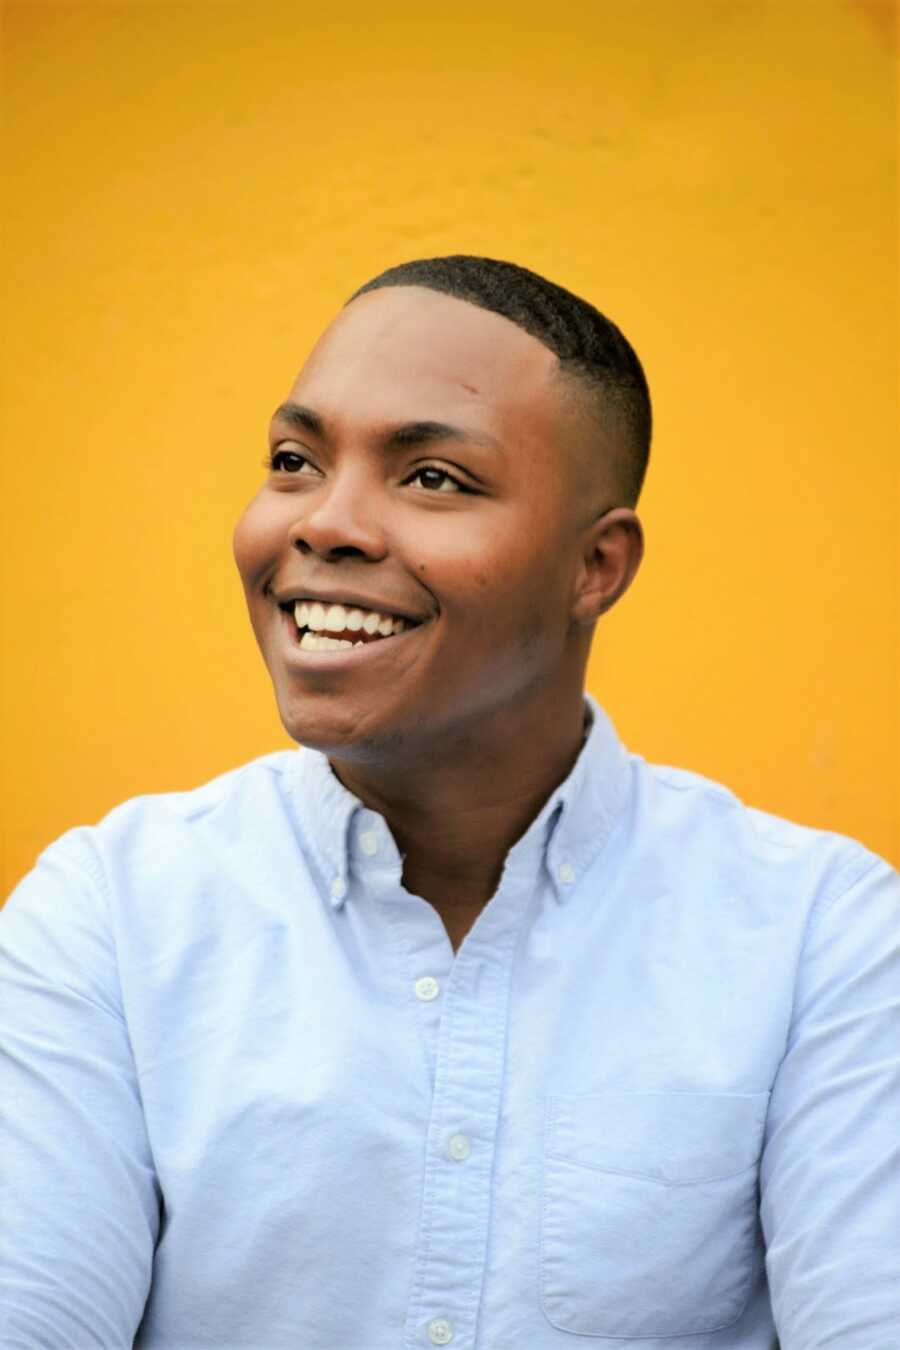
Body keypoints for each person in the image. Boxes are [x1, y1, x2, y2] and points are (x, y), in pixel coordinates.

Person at [1, 255, 897, 1350]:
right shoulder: (112, 919)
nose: (326, 523)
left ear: (596, 568)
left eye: (432, 478)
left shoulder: (822, 939)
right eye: (294, 460)